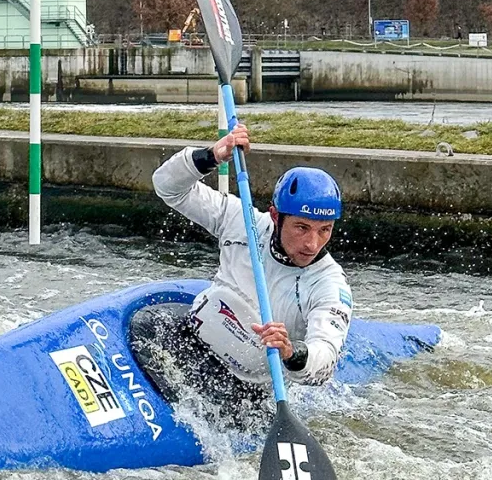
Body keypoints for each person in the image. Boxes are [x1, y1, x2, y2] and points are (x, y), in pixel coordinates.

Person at [130, 124, 353, 424]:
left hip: (244, 387)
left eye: (324, 230)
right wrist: (211, 156)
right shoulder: (241, 220)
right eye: (301, 227)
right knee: (145, 321)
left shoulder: (330, 285)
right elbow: (167, 186)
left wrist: (291, 351)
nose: (312, 243)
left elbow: (324, 362)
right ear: (276, 217)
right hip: (191, 339)